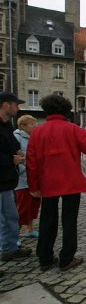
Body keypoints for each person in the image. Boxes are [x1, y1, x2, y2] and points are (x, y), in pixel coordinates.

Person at [26, 94, 86, 272]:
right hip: (71, 182)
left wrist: (33, 186)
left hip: (48, 183)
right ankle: (66, 258)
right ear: (66, 110)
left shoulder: (37, 132)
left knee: (47, 220)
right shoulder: (73, 129)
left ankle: (45, 257)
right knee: (69, 221)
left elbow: (31, 162)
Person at [0, 92, 32, 262]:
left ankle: (9, 249)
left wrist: (16, 152)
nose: (17, 107)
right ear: (6, 105)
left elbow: (12, 145)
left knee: (10, 218)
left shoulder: (6, 126)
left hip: (7, 181)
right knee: (2, 221)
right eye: (15, 104)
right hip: (3, 179)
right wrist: (10, 159)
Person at [14, 115, 41, 239]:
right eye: (32, 124)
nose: (34, 126)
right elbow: (16, 158)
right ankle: (16, 235)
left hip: (34, 179)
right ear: (23, 126)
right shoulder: (16, 138)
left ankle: (29, 229)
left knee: (33, 206)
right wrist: (24, 169)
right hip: (23, 180)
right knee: (22, 208)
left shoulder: (34, 138)